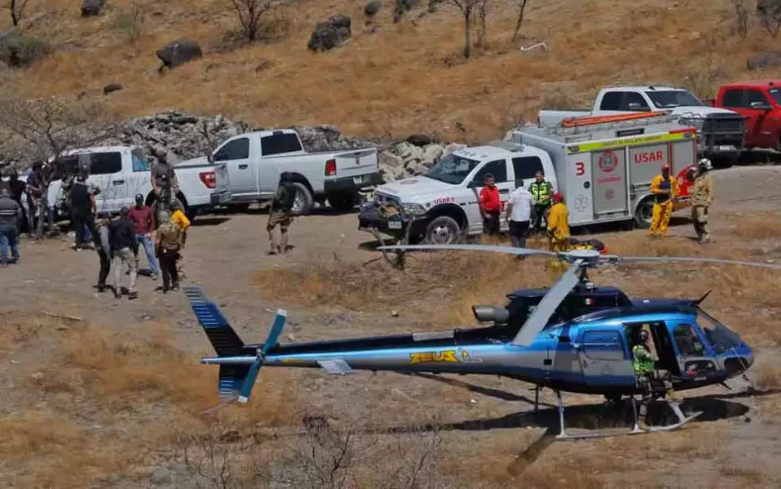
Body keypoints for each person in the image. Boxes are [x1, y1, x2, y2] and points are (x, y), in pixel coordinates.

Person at [110, 207, 139, 300]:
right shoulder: (129, 223)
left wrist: (111, 251)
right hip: (126, 248)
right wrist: (136, 251)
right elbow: (133, 238)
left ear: (120, 214)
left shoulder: (114, 223)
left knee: (118, 269)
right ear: (127, 214)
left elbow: (110, 238)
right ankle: (131, 290)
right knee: (133, 268)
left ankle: (118, 290)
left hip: (116, 249)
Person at [128, 194, 158, 279]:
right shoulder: (132, 210)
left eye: (140, 201)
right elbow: (128, 221)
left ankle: (155, 271)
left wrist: (150, 232)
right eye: (137, 201)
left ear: (143, 200)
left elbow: (152, 221)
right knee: (134, 253)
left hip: (145, 234)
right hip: (135, 234)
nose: (139, 203)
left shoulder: (148, 209)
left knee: (150, 253)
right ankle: (134, 270)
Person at [267, 172, 297, 255]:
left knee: (270, 227)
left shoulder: (282, 187)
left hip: (279, 210)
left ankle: (274, 248)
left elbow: (277, 198)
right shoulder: (294, 187)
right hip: (288, 211)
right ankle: (283, 249)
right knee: (284, 229)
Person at [632, 329, 656, 431]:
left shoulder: (635, 348)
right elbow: (653, 358)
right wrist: (652, 346)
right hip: (642, 377)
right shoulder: (641, 350)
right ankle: (641, 421)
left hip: (639, 375)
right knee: (647, 398)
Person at [69, 168, 98, 250]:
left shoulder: (73, 189)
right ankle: (97, 244)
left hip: (75, 211)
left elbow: (71, 200)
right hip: (86, 211)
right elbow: (92, 199)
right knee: (92, 227)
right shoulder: (87, 188)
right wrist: (95, 210)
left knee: (78, 229)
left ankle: (78, 246)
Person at [155, 210, 183, 293]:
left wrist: (156, 252)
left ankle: (166, 286)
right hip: (174, 250)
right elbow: (180, 236)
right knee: (173, 267)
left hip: (164, 251)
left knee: (165, 269)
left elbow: (157, 242)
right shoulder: (176, 226)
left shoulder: (161, 229)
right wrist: (178, 246)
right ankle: (175, 284)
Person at [649, 163, 680, 237]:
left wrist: (674, 195)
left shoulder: (672, 179)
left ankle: (662, 234)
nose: (667, 171)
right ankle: (652, 234)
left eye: (668, 170)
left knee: (666, 219)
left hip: (668, 202)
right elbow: (652, 189)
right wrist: (663, 191)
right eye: (665, 170)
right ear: (662, 171)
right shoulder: (658, 179)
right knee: (655, 219)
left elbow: (676, 189)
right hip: (658, 203)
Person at [150, 153, 180, 226]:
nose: (165, 157)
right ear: (160, 157)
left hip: (169, 188)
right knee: (161, 206)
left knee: (173, 204)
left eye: (165, 156)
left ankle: (173, 223)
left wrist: (176, 186)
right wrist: (155, 188)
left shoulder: (169, 166)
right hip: (160, 188)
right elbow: (153, 178)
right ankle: (161, 224)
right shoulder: (155, 167)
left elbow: (174, 176)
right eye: (163, 156)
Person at [691, 158, 714, 244]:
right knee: (694, 220)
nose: (699, 167)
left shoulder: (708, 178)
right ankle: (700, 235)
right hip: (695, 202)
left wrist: (708, 203)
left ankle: (706, 236)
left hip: (702, 203)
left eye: (700, 166)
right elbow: (689, 177)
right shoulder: (698, 177)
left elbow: (711, 192)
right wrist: (690, 171)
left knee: (702, 220)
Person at [505, 183, 534, 248]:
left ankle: (517, 249)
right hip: (526, 219)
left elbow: (510, 206)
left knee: (513, 235)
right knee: (522, 236)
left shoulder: (513, 194)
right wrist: (534, 217)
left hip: (515, 220)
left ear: (515, 185)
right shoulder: (528, 193)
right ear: (523, 184)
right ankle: (522, 252)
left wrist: (507, 216)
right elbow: (533, 207)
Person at [0, 186, 22, 267]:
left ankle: (4, 262)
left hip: (1, 227)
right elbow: (20, 216)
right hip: (13, 226)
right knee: (14, 243)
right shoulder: (14, 203)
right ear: (8, 194)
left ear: (1, 195)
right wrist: (17, 225)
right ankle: (16, 259)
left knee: (3, 244)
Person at [170, 202, 191, 279]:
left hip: (179, 237)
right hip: (175, 237)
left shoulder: (178, 213)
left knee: (178, 254)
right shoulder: (174, 214)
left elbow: (187, 223)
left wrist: (182, 231)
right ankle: (178, 272)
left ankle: (180, 273)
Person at [95, 214, 112, 293]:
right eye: (109, 219)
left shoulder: (99, 227)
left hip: (100, 249)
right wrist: (108, 252)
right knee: (105, 267)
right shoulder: (103, 228)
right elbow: (104, 242)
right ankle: (101, 284)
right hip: (104, 250)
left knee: (104, 267)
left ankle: (101, 283)